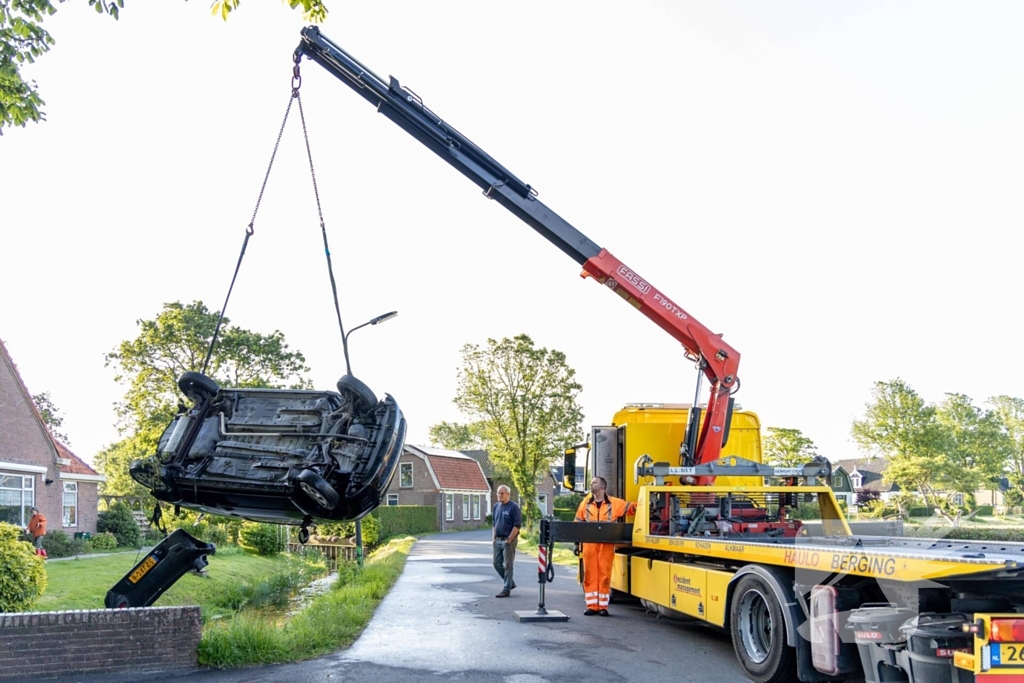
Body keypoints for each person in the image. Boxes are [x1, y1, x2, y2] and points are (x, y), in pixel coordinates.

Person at [574, 477, 636, 616]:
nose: (591, 484)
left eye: (594, 482)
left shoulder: (614, 503)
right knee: (589, 575)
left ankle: (603, 607)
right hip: (589, 544)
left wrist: (645, 503)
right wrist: (576, 543)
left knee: (604, 574)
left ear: (602, 487)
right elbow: (577, 523)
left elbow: (630, 508)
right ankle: (591, 606)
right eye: (591, 482)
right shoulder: (585, 503)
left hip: (606, 544)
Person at [491, 485, 521, 598]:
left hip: (508, 540)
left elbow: (517, 525)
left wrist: (510, 539)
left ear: (508, 494)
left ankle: (506, 589)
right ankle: (510, 583)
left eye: (502, 493)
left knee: (508, 565)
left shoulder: (513, 507)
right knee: (496, 563)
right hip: (497, 540)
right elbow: (494, 523)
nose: (499, 495)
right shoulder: (496, 506)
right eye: (498, 493)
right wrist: (493, 537)